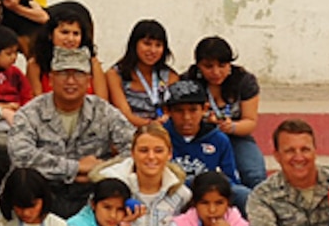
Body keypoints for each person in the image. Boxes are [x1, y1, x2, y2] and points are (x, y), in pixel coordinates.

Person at [5, 46, 135, 215]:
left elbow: (134, 148)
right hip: (42, 197)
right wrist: (75, 169)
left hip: (91, 195)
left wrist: (100, 170)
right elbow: (20, 156)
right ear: (51, 79)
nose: (71, 81)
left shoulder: (103, 111)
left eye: (78, 74)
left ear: (89, 80)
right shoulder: (30, 113)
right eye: (63, 73)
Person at [186, 36, 266, 190]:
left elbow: (250, 121)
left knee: (255, 175)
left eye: (222, 65)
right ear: (198, 66)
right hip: (199, 137)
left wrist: (232, 127)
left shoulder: (244, 81)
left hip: (236, 137)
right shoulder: (188, 83)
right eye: (208, 66)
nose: (216, 72)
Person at [163, 80, 243, 206]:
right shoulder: (160, 136)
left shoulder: (219, 140)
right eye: (179, 111)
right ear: (168, 111)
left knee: (243, 195)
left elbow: (230, 180)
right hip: (169, 195)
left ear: (204, 109)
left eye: (193, 110)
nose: (187, 117)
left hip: (209, 198)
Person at [27, 1, 109, 99]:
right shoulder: (36, 64)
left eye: (76, 34)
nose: (70, 39)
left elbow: (102, 102)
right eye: (64, 32)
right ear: (50, 35)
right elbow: (35, 102)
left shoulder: (92, 63)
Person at [108, 18, 180, 127]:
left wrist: (165, 119)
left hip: (164, 133)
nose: (152, 50)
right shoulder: (115, 74)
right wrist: (151, 125)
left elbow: (174, 110)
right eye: (147, 44)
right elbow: (124, 115)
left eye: (158, 45)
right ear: (134, 44)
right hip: (130, 132)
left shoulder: (171, 76)